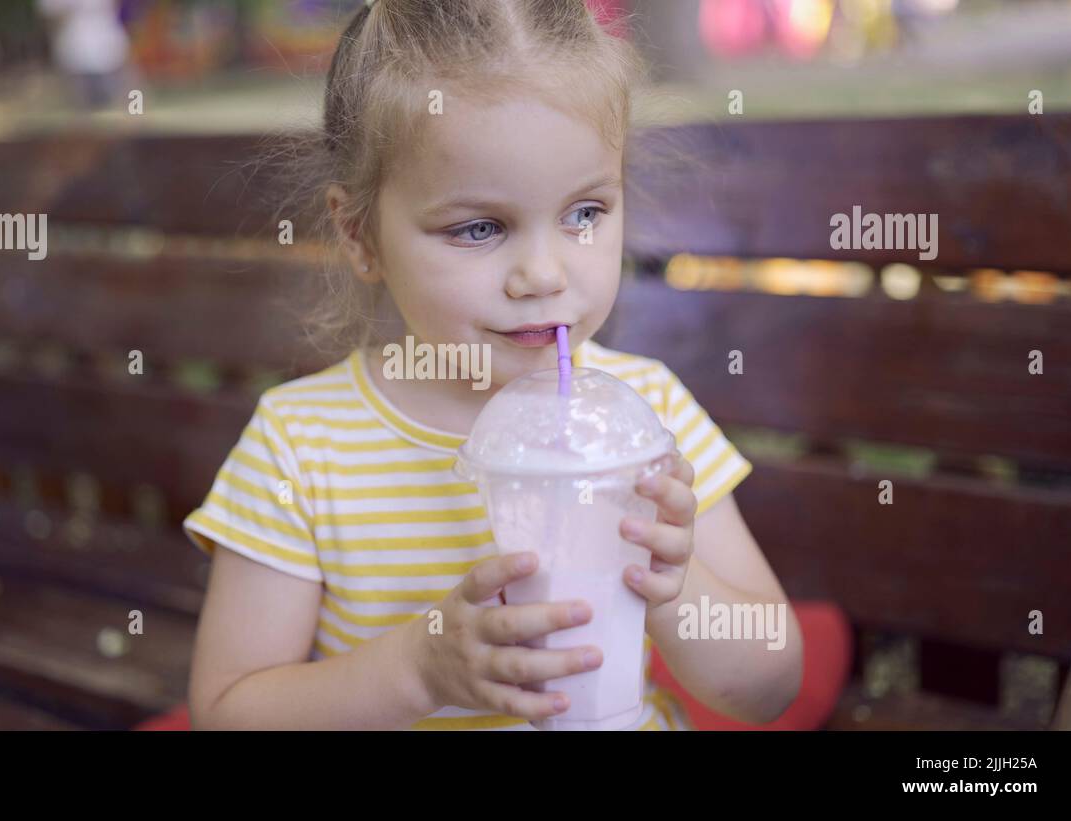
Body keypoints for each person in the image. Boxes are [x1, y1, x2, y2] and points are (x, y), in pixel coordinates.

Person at [184, 0, 803, 730]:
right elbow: (226, 713)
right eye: (480, 227)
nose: (544, 272)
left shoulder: (644, 415)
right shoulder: (302, 447)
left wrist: (674, 586)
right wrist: (414, 672)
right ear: (360, 234)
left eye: (584, 213)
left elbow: (770, 685)